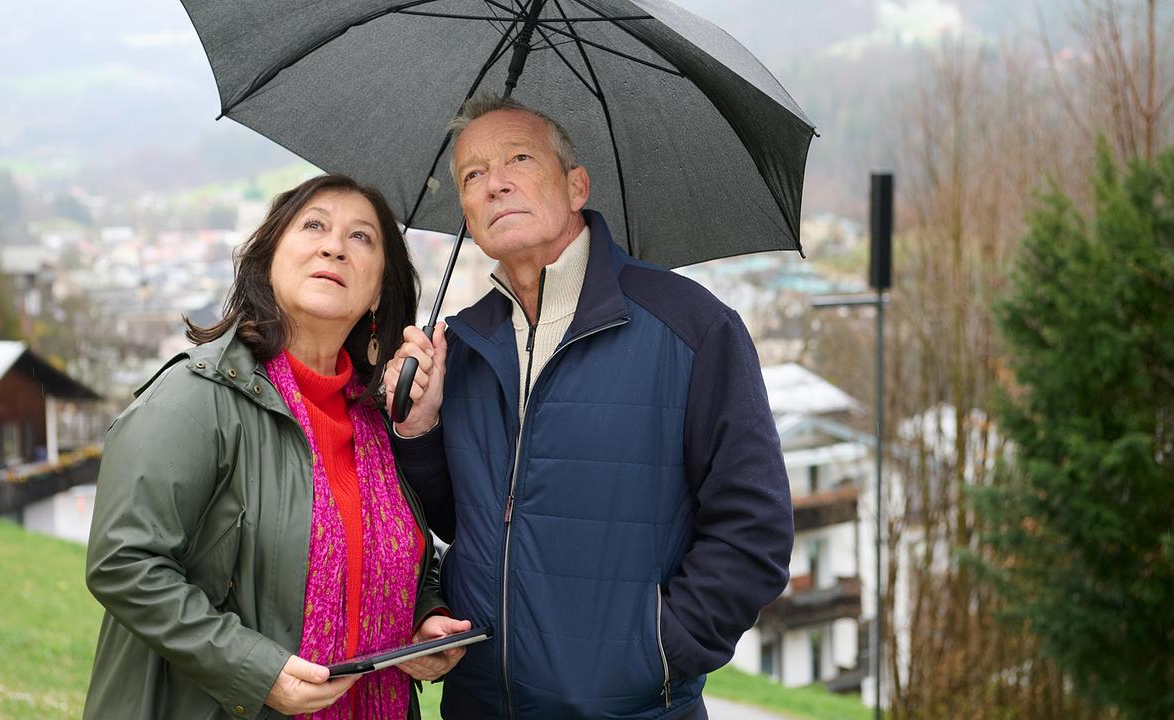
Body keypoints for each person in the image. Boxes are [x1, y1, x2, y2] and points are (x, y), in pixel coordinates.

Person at [384, 95, 795, 719]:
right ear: (466, 214)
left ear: (577, 186)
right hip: (480, 705)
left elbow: (753, 529)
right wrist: (419, 430)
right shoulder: (462, 345)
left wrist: (659, 651)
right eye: (472, 175)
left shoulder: (692, 328)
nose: (495, 184)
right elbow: (462, 522)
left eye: (519, 159)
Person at [83, 174, 470, 720]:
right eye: (314, 226)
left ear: (379, 291)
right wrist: (255, 671)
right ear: (268, 259)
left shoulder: (377, 420)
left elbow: (400, 555)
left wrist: (422, 618)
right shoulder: (197, 396)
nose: (334, 247)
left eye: (361, 237)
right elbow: (123, 562)